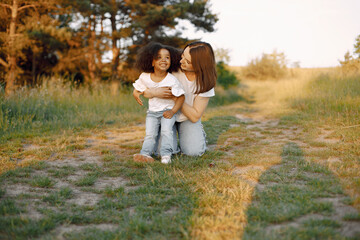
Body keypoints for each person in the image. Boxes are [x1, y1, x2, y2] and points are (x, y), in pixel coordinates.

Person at [134, 41, 217, 156]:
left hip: (187, 118)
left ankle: (196, 136)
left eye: (187, 61)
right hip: (164, 115)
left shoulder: (205, 82)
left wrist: (176, 98)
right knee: (161, 152)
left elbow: (194, 116)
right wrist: (152, 92)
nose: (181, 61)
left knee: (194, 152)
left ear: (199, 65)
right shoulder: (171, 63)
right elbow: (146, 90)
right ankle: (167, 139)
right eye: (183, 55)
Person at [132, 42, 185, 164]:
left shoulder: (171, 80)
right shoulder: (145, 76)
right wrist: (136, 94)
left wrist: (173, 111)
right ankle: (145, 154)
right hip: (152, 113)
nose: (164, 60)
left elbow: (181, 97)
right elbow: (137, 88)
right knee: (150, 134)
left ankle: (166, 155)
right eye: (159, 57)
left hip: (166, 112)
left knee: (166, 132)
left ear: (171, 61)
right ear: (152, 62)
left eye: (167, 57)